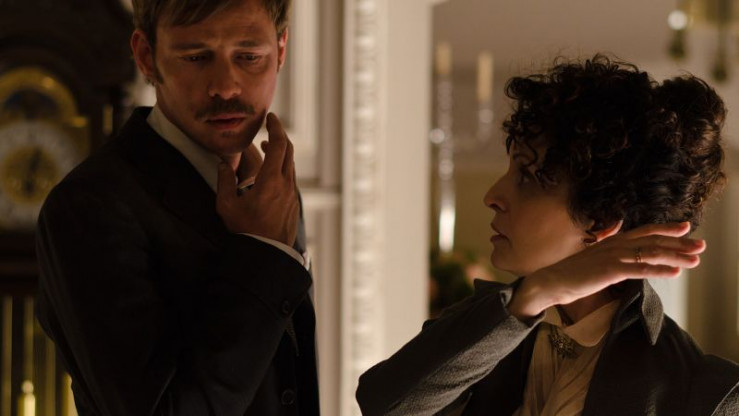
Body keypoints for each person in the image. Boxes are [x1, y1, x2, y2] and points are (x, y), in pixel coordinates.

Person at [356, 55, 739, 415]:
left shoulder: (702, 393)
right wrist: (536, 293)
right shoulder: (488, 322)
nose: (492, 196)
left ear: (601, 219)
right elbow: (384, 405)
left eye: (527, 177)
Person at [35, 0, 319, 415]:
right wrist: (263, 253)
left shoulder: (272, 193)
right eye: (196, 57)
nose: (226, 87)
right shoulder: (87, 207)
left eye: (248, 56)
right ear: (146, 56)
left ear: (280, 51)